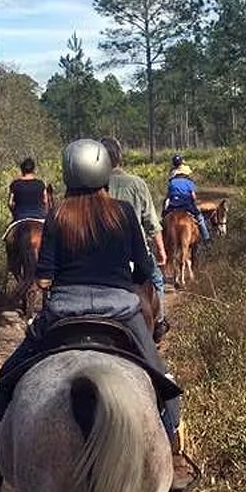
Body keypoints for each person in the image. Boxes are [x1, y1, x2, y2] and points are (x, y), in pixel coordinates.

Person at [0, 138, 196, 492]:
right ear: (104, 170)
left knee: (7, 377)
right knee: (164, 382)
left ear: (69, 173)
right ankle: (175, 459)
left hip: (63, 313)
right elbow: (145, 270)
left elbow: (43, 278)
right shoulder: (123, 212)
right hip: (121, 313)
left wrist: (51, 282)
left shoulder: (57, 214)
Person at [99, 136, 170, 342]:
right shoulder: (137, 184)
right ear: (120, 158)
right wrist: (162, 251)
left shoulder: (92, 186)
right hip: (134, 251)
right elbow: (151, 223)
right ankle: (160, 322)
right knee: (157, 279)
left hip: (99, 252)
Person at [164, 153, 210, 245]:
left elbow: (168, 196)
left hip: (173, 205)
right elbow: (193, 196)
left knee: (163, 219)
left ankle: (162, 238)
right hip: (187, 205)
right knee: (200, 219)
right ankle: (206, 239)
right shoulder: (189, 182)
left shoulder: (172, 182)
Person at [8, 157, 51, 221]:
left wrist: (14, 212)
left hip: (20, 217)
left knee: (8, 230)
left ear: (22, 169)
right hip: (39, 217)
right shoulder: (40, 184)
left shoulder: (15, 184)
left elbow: (10, 203)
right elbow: (45, 201)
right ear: (33, 170)